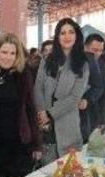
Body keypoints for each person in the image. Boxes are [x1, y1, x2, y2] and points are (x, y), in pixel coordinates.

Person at [0, 33, 42, 177]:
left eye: (12, 53)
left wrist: (36, 144)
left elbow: (30, 109)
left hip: (20, 146)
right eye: (4, 52)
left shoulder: (23, 75)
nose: (8, 57)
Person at [34, 18, 89, 161]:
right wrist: (41, 112)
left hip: (68, 123)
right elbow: (38, 87)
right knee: (47, 170)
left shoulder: (82, 64)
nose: (67, 36)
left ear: (77, 35)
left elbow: (75, 97)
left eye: (71, 32)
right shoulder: (47, 60)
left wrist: (50, 114)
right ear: (57, 37)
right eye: (62, 33)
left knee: (70, 171)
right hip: (45, 125)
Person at [81, 34, 105, 140]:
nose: (98, 54)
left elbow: (102, 92)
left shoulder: (101, 64)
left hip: (95, 112)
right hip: (79, 113)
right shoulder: (78, 63)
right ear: (85, 47)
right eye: (95, 50)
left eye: (101, 50)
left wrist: (102, 120)